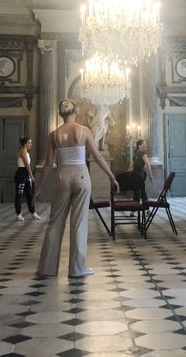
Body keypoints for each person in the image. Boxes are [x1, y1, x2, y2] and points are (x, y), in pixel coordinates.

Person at [35, 98, 119, 278]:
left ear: (60, 114)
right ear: (76, 112)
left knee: (55, 223)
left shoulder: (53, 135)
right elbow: (98, 157)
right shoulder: (83, 131)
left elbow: (48, 164)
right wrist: (112, 177)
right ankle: (77, 268)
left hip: (62, 176)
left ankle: (46, 269)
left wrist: (37, 188)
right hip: (81, 175)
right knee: (79, 223)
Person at [15, 137, 41, 221]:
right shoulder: (23, 151)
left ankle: (33, 212)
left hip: (26, 174)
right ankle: (18, 214)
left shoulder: (27, 152)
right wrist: (31, 175)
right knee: (19, 195)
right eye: (29, 142)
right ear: (24, 144)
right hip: (21, 173)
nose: (31, 144)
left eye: (31, 142)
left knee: (29, 194)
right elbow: (27, 165)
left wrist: (29, 176)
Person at [128, 139, 153, 215]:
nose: (146, 145)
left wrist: (128, 172)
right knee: (142, 192)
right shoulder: (143, 154)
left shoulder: (135, 154)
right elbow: (148, 165)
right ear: (139, 146)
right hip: (140, 176)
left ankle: (133, 211)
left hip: (135, 175)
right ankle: (147, 210)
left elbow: (131, 164)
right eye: (144, 144)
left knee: (136, 192)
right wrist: (150, 175)